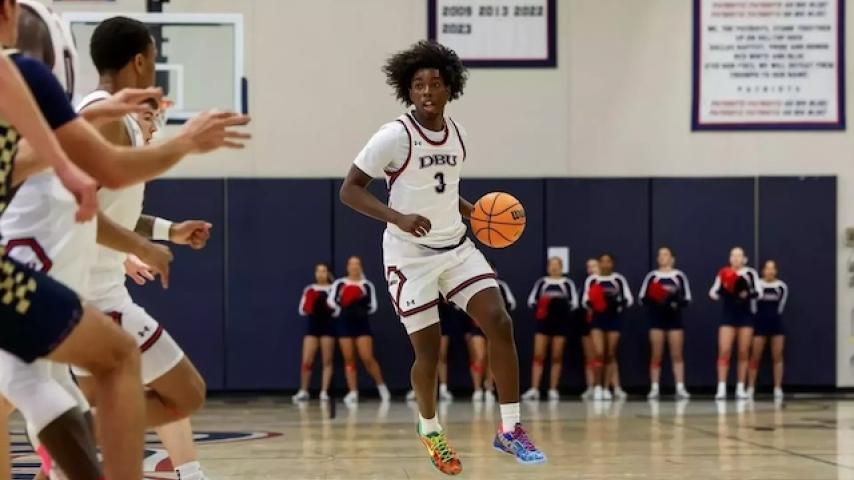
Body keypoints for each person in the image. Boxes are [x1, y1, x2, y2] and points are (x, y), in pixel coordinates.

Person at [339, 40, 546, 473]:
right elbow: (350, 190)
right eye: (418, 85)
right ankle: (430, 429)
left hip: (455, 247)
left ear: (450, 87)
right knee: (429, 353)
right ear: (408, 90)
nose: (427, 91)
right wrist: (397, 217)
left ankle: (510, 430)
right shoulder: (394, 136)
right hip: (408, 255)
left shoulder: (459, 135)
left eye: (435, 83)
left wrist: (480, 216)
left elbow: (445, 192)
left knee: (499, 321)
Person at [328, 256, 390, 405]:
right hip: (344, 324)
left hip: (361, 324)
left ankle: (382, 388)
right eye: (351, 264)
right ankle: (353, 391)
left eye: (357, 264)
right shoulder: (339, 283)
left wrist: (360, 306)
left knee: (367, 357)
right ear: (347, 267)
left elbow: (373, 306)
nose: (354, 266)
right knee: (349, 358)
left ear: (361, 267)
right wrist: (344, 305)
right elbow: (331, 301)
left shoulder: (367, 285)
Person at [522, 257, 578, 401]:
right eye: (551, 265)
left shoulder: (567, 283)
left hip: (561, 324)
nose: (554, 268)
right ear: (548, 267)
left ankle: (553, 389)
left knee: (556, 356)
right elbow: (531, 301)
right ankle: (534, 389)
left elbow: (574, 303)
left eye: (557, 265)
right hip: (543, 323)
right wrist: (543, 307)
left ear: (561, 267)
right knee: (538, 355)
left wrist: (560, 308)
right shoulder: (542, 283)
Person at [638, 247, 691, 400]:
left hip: (674, 321)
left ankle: (680, 387)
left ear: (672, 258)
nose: (662, 257)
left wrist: (674, 301)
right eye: (660, 255)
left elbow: (687, 298)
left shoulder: (679, 276)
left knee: (677, 354)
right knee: (656, 354)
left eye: (666, 254)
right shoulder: (652, 277)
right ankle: (654, 387)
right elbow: (642, 298)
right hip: (656, 320)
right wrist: (655, 300)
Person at [709, 246, 759, 400]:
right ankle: (721, 387)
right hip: (728, 317)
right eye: (733, 255)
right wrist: (723, 291)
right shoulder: (723, 272)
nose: (736, 258)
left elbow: (759, 292)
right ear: (730, 258)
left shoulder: (750, 273)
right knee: (724, 350)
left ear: (744, 259)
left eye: (739, 256)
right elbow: (713, 292)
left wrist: (746, 293)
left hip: (745, 317)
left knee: (743, 352)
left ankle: (740, 387)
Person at [583, 253, 633, 401]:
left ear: (612, 263)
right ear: (599, 264)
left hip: (614, 319)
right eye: (602, 261)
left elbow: (628, 299)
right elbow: (585, 300)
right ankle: (597, 386)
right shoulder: (592, 280)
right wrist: (595, 303)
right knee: (599, 353)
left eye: (608, 261)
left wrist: (616, 303)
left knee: (610, 354)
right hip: (597, 320)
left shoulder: (618, 279)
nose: (605, 264)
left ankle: (606, 388)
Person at [292, 263, 336, 402]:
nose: (321, 274)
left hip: (327, 326)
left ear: (328, 273)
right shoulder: (309, 289)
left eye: (324, 271)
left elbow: (337, 309)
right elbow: (302, 310)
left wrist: (327, 306)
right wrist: (311, 304)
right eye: (318, 271)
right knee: (307, 360)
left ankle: (324, 392)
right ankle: (304, 390)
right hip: (312, 327)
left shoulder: (333, 289)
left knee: (327, 360)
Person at [747, 260, 788, 401]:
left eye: (772, 269)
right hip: (759, 323)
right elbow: (753, 306)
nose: (770, 271)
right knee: (755, 356)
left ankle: (777, 388)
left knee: (778, 356)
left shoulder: (781, 287)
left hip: (776, 324)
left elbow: (781, 306)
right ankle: (750, 387)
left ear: (776, 271)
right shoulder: (757, 285)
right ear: (763, 271)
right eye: (767, 268)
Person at [578, 258, 599, 399]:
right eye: (588, 267)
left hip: (602, 324)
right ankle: (591, 386)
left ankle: (611, 387)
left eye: (594, 266)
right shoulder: (585, 285)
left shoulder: (605, 282)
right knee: (590, 356)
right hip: (586, 324)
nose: (591, 269)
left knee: (605, 356)